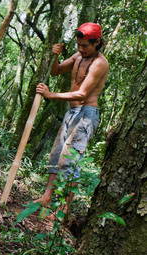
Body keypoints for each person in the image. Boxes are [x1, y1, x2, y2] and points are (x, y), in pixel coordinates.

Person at [34, 22, 109, 213]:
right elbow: (56, 71)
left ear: (97, 42)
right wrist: (55, 55)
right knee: (56, 155)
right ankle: (46, 198)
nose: (81, 49)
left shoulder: (100, 63)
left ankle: (64, 211)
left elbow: (83, 94)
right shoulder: (78, 56)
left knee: (69, 161)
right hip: (72, 112)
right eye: (78, 44)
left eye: (85, 45)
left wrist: (51, 95)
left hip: (86, 115)